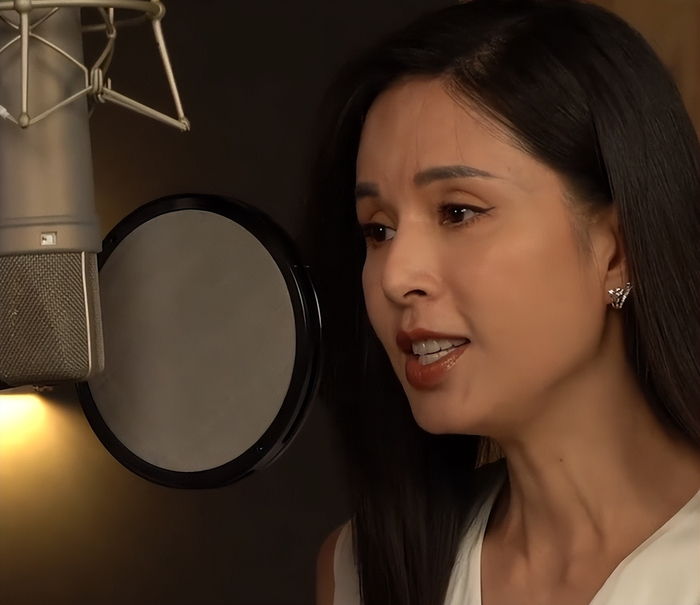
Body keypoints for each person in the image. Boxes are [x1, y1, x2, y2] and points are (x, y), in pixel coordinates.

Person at [304, 0, 700, 603]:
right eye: (377, 229)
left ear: (618, 251)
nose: (395, 277)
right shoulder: (359, 571)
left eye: (458, 212)